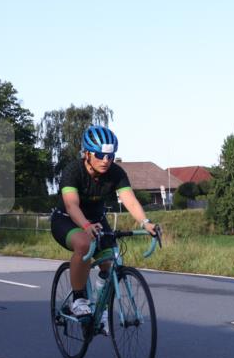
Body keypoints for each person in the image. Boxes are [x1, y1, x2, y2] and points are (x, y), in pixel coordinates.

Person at [50, 125, 158, 318]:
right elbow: (72, 205)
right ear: (87, 154)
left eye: (110, 156)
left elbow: (130, 201)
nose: (106, 161)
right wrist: (85, 226)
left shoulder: (116, 173)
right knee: (84, 243)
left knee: (111, 261)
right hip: (67, 220)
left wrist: (146, 222)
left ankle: (101, 307)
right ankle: (78, 299)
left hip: (97, 221)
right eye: (100, 155)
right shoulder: (73, 171)